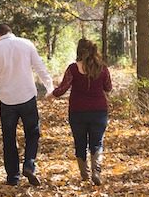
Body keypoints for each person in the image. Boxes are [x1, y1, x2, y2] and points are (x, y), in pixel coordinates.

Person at [0, 24, 53, 186]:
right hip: (27, 97)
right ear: (10, 32)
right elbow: (40, 68)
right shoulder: (26, 44)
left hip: (7, 101)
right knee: (33, 133)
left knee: (9, 138)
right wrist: (50, 88)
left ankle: (13, 177)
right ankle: (29, 164)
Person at [46, 38, 112, 185]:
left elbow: (63, 88)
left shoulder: (73, 68)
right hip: (99, 110)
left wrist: (52, 94)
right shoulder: (102, 68)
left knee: (80, 142)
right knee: (97, 142)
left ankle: (84, 175)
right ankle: (96, 171)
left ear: (79, 51)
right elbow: (108, 87)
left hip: (77, 112)